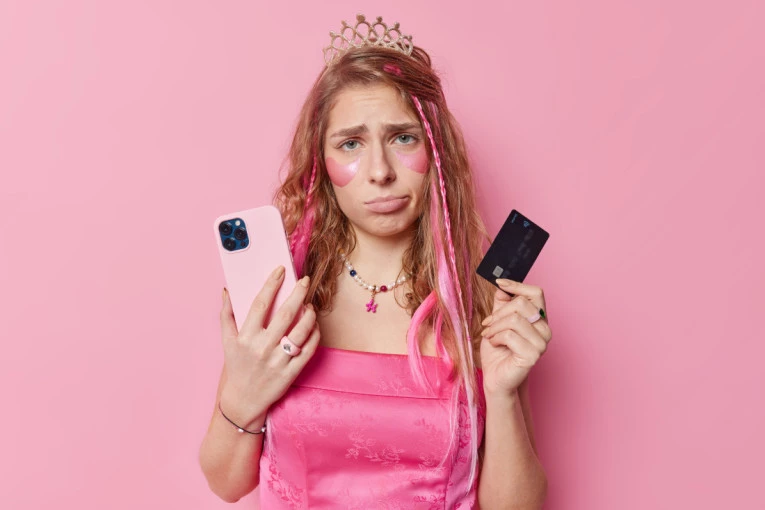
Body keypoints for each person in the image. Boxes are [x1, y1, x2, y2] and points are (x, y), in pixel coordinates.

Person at [199, 14, 552, 509]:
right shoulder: (283, 293)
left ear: (436, 152)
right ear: (321, 163)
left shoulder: (481, 301)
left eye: (402, 137)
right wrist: (244, 391)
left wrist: (502, 392)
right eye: (351, 144)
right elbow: (226, 483)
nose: (380, 171)